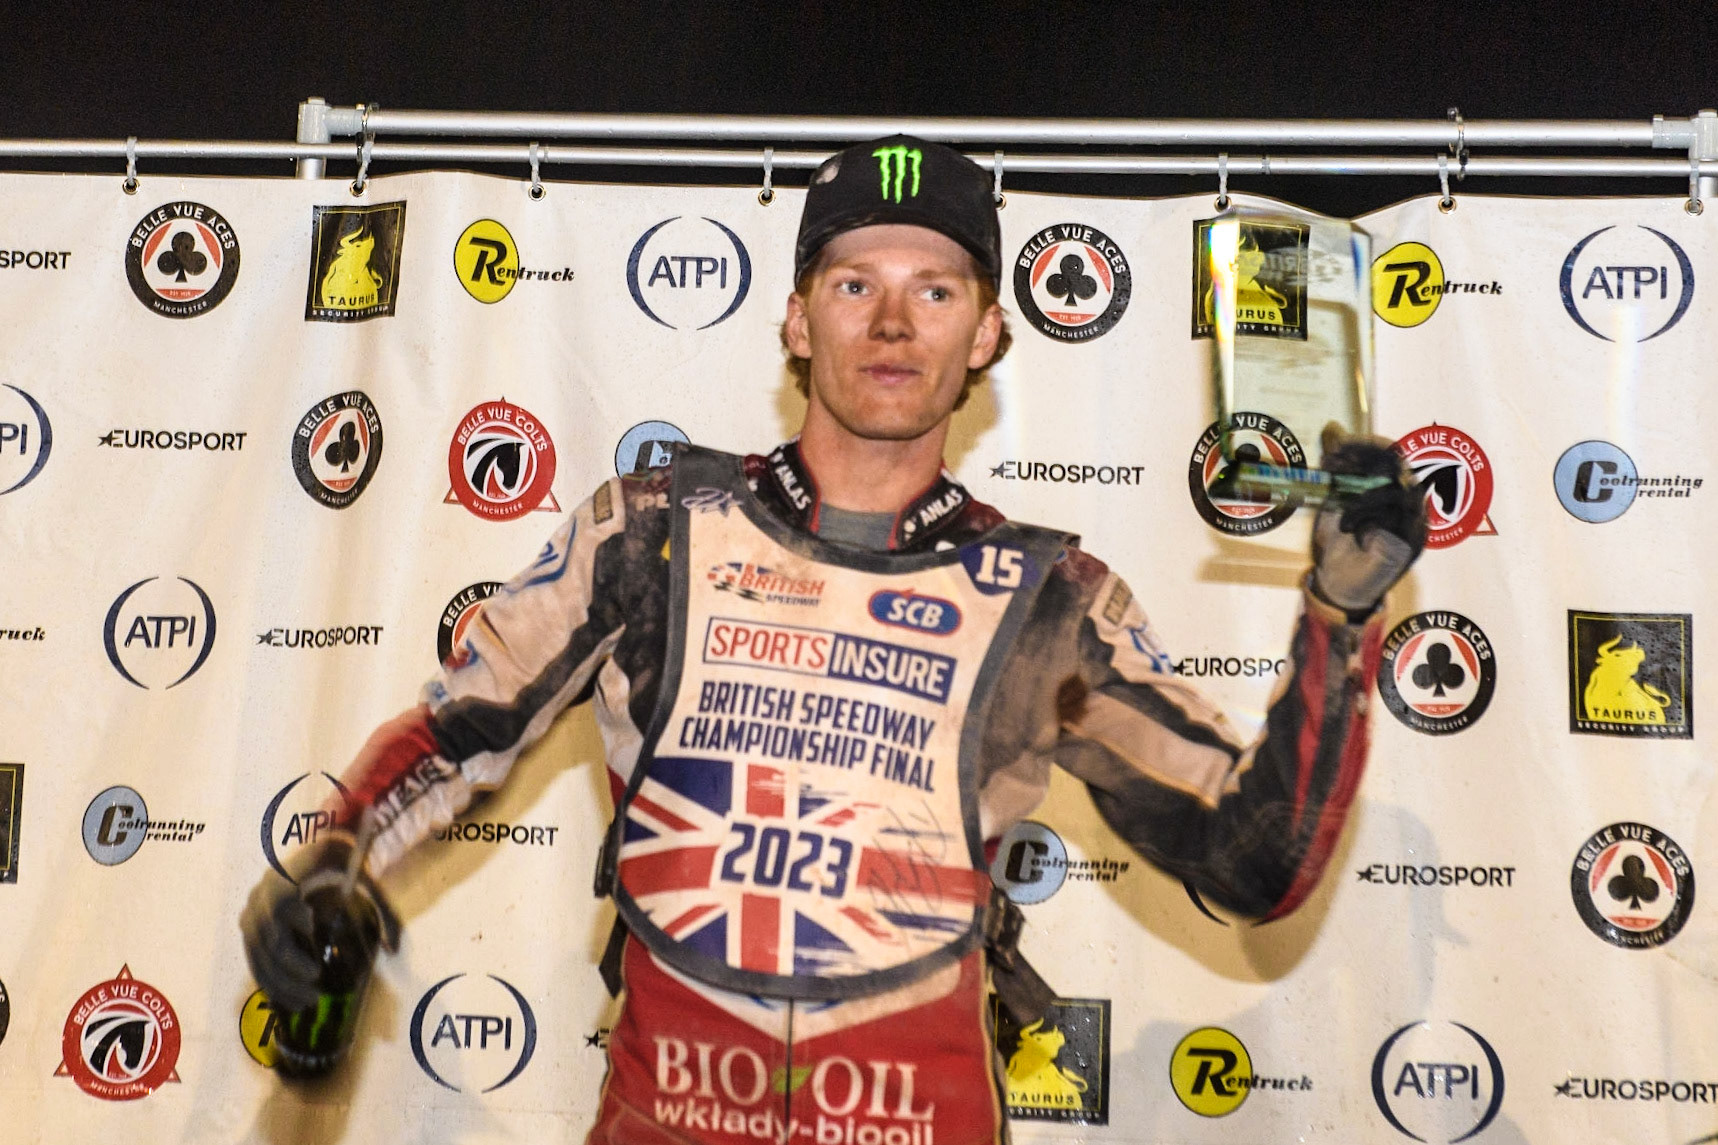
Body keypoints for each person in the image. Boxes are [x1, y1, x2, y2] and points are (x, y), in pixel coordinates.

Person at [243, 135, 1424, 1144]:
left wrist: (1340, 617)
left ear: (989, 336)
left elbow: (1255, 859)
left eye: (936, 288)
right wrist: (333, 860)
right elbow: (460, 729)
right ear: (797, 322)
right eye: (855, 285)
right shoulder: (652, 532)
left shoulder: (1047, 597)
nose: (894, 321)